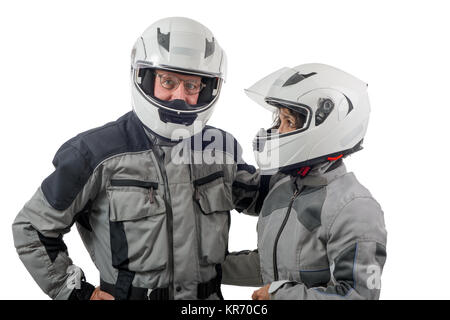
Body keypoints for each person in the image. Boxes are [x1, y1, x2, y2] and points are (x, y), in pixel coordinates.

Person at [12, 17, 261, 300]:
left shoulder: (220, 149)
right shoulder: (96, 153)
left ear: (206, 89)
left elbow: (266, 198)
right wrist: (76, 293)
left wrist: (310, 161)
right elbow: (32, 228)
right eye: (168, 81)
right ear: (144, 77)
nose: (179, 96)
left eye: (191, 86)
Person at [222, 63, 387, 300]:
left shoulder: (355, 207)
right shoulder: (284, 185)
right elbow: (270, 265)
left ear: (326, 128)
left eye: (288, 122)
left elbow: (357, 295)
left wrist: (280, 296)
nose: (277, 132)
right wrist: (209, 269)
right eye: (278, 121)